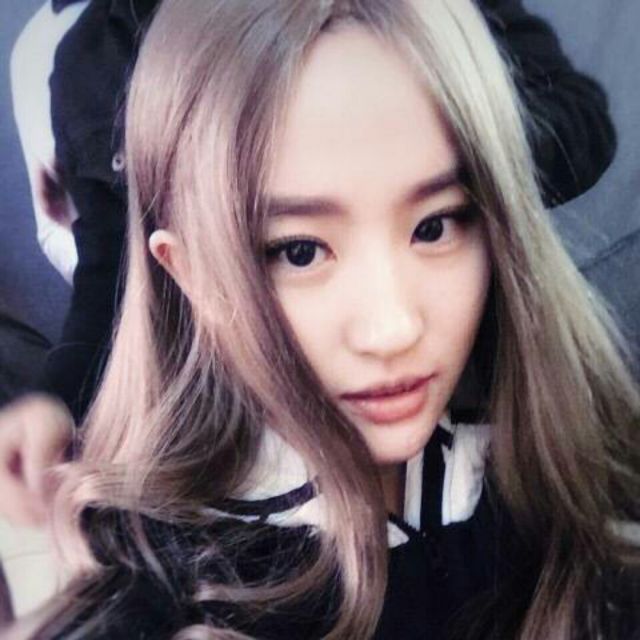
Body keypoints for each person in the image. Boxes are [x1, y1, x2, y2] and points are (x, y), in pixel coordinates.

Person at [6, 1, 639, 639]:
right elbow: (114, 270)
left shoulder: (546, 454)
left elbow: (581, 123)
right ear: (189, 271)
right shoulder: (88, 58)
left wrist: (444, 124)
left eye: (435, 225)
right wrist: (57, 398)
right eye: (299, 251)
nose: (391, 331)